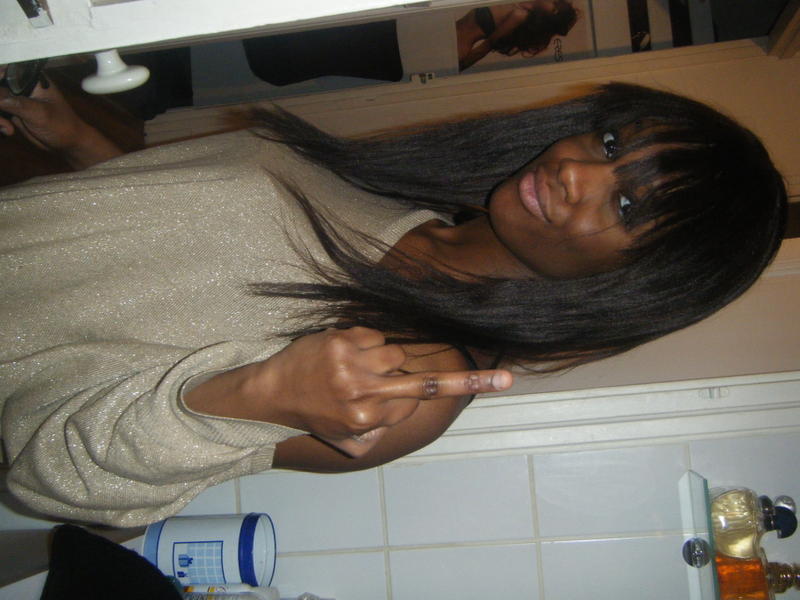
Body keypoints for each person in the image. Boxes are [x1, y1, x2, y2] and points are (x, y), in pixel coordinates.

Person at [0, 78, 787, 526]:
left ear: (637, 282)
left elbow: (64, 478)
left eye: (625, 206)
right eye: (611, 144)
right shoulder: (395, 196)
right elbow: (167, 258)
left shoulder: (410, 381)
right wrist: (75, 139)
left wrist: (260, 396)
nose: (575, 172)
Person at [457, 1, 579, 71]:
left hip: (458, 44)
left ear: (550, 14)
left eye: (555, 5)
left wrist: (454, 69)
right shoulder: (521, 5)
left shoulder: (519, 15)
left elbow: (484, 48)